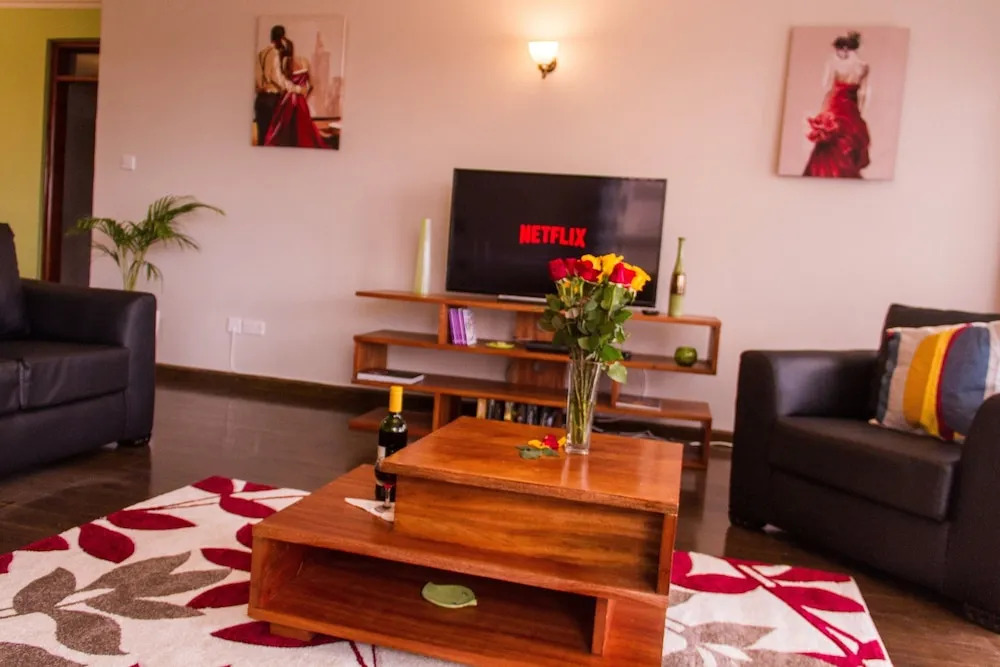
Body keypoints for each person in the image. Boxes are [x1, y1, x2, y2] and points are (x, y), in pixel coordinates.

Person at [802, 31, 872, 178]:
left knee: (831, 141)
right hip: (852, 108)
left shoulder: (835, 64)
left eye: (840, 49)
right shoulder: (864, 66)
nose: (839, 53)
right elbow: (863, 93)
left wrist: (823, 111)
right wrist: (859, 113)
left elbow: (827, 87)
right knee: (846, 139)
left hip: (836, 105)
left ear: (846, 49)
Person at [262, 37, 329, 148]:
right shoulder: (304, 61)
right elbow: (311, 85)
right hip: (301, 101)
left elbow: (283, 84)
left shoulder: (284, 62)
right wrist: (304, 96)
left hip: (288, 100)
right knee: (303, 129)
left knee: (283, 131)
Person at [254, 25, 306, 146]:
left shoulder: (261, 53)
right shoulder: (274, 54)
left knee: (262, 139)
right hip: (271, 100)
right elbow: (278, 78)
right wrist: (298, 89)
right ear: (281, 38)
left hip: (260, 100)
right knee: (270, 140)